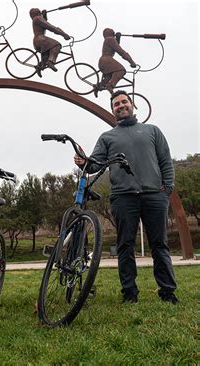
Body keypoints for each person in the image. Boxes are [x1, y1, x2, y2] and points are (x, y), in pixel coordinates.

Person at [73, 90, 178, 305]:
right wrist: (84, 162)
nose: (120, 106)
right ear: (113, 111)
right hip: (123, 198)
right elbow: (95, 165)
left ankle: (167, 291)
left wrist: (166, 190)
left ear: (132, 105)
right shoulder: (107, 137)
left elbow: (165, 161)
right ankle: (129, 293)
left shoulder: (152, 131)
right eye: (116, 105)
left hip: (154, 196)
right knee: (125, 246)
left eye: (124, 102)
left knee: (160, 245)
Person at [96, 28, 136, 96]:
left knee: (110, 76)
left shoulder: (109, 40)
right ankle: (110, 85)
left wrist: (118, 38)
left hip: (103, 61)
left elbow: (115, 45)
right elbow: (121, 51)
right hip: (106, 60)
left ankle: (98, 86)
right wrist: (131, 61)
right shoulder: (110, 39)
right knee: (121, 70)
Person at [29, 8, 70, 74]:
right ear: (37, 13)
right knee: (56, 45)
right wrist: (63, 34)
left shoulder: (36, 19)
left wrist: (44, 16)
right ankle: (50, 62)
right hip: (40, 39)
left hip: (38, 41)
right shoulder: (37, 18)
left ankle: (39, 66)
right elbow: (50, 27)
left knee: (47, 54)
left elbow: (43, 23)